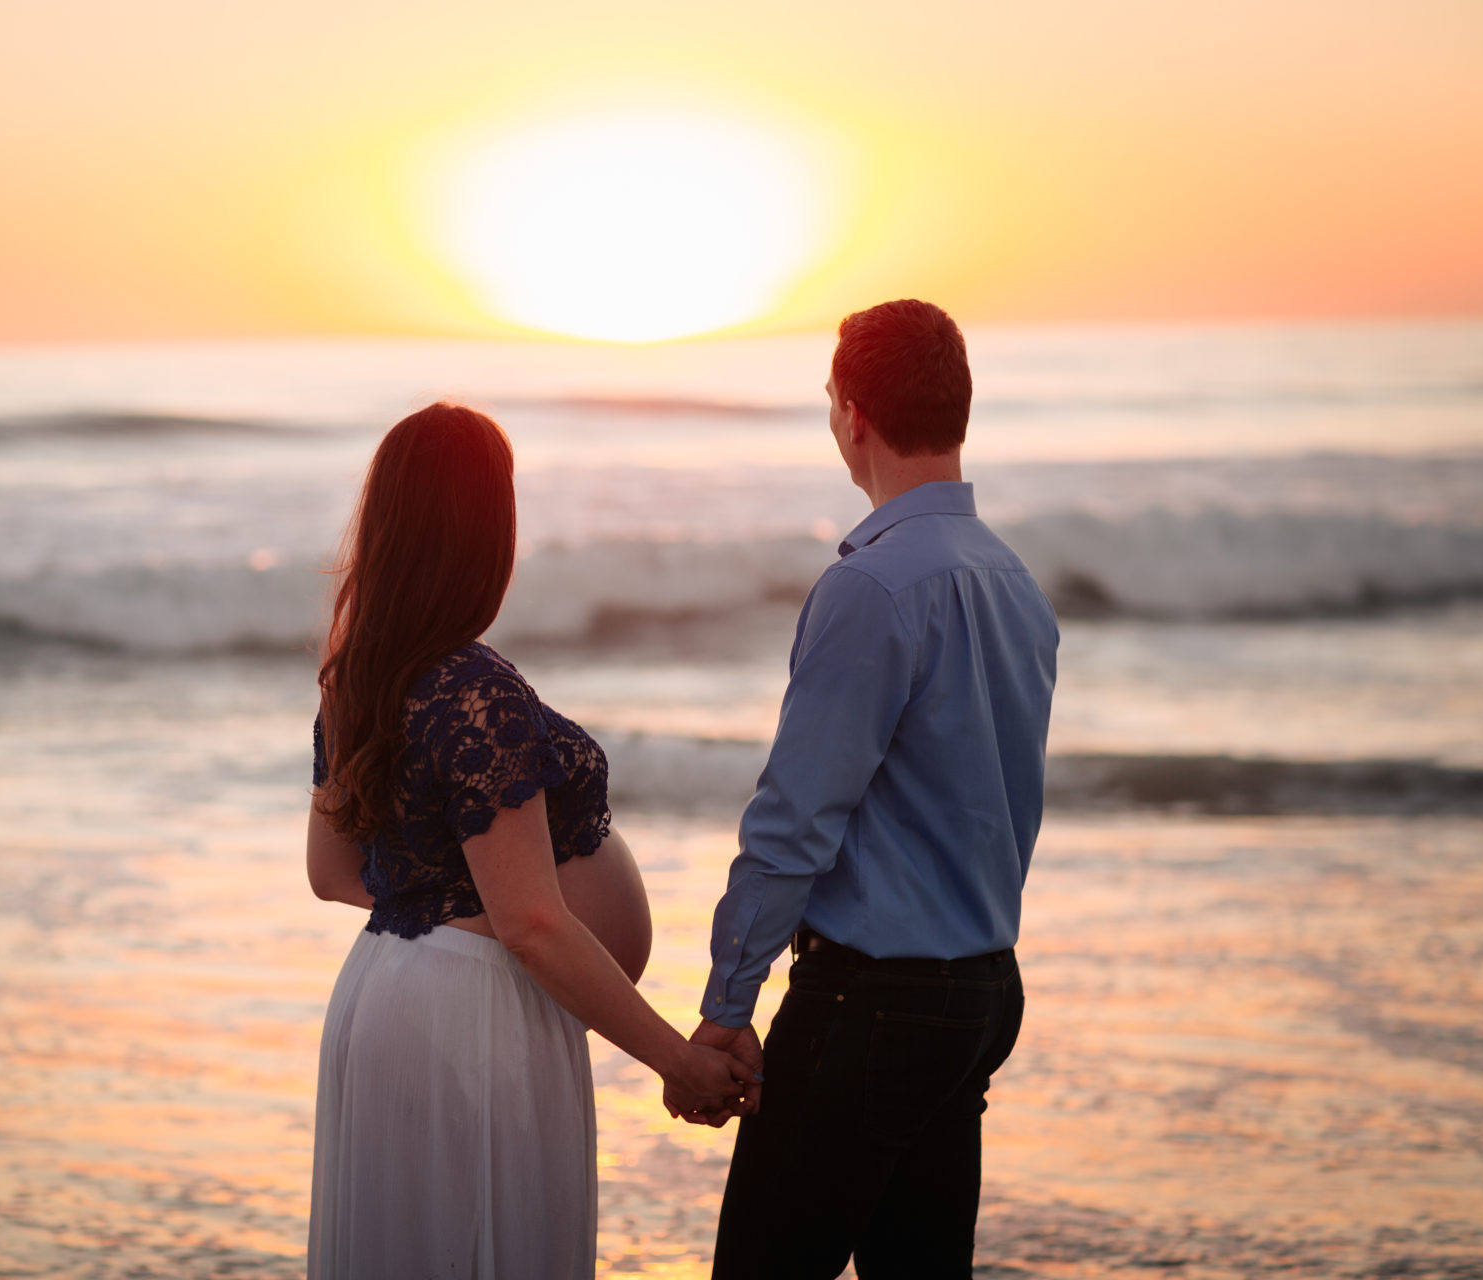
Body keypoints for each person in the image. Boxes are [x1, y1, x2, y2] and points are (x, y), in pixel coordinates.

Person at [304, 402, 757, 1279]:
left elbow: (331, 874)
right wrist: (675, 1059)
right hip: (474, 1019)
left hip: (385, 999)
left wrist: (444, 900)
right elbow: (532, 925)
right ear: (486, 531)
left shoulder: (356, 675)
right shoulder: (478, 691)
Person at [677, 300, 1059, 1279]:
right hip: (980, 989)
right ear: (956, 406)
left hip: (873, 1002)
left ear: (852, 414)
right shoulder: (1013, 581)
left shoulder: (872, 586)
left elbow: (795, 819)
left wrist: (727, 1005)